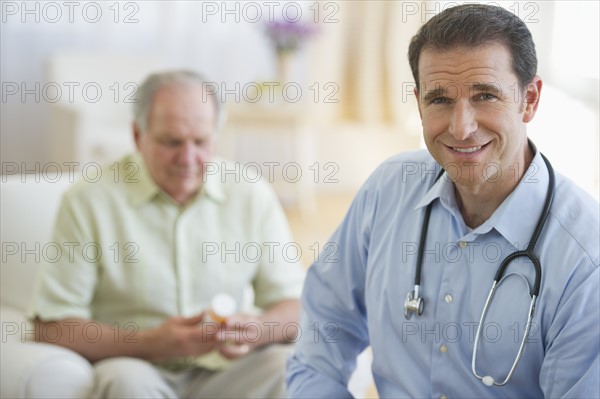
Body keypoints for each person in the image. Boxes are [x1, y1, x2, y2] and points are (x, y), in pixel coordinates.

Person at [286, 4, 599, 398]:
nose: (461, 127)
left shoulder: (587, 260)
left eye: (485, 96)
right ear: (418, 102)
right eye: (440, 100)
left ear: (530, 99)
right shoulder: (387, 190)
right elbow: (323, 333)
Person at [29, 70, 305, 398]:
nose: (188, 159)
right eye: (171, 142)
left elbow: (297, 304)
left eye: (201, 142)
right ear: (137, 135)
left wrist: (257, 330)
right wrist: (151, 343)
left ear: (216, 134)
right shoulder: (88, 201)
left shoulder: (251, 194)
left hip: (228, 369)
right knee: (125, 383)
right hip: (137, 365)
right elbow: (52, 326)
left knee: (292, 370)